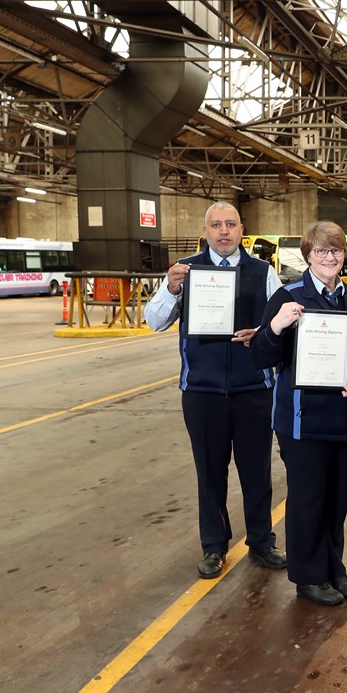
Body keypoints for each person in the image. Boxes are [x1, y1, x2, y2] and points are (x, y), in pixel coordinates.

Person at [144, 201, 287, 579]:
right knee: (209, 472)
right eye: (216, 225)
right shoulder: (184, 272)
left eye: (231, 224)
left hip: (254, 389)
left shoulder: (263, 272)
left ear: (242, 229)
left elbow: (282, 324)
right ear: (204, 231)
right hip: (202, 392)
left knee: (256, 470)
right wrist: (171, 290)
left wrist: (261, 333)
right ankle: (213, 546)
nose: (224, 231)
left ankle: (261, 541)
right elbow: (154, 322)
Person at [250, 221, 347, 606]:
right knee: (308, 497)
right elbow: (260, 355)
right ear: (308, 254)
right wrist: (276, 325)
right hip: (301, 421)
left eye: (336, 251)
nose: (329, 258)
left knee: (337, 498)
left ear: (345, 255)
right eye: (321, 251)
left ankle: (333, 568)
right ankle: (309, 576)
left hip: (346, 417)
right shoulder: (288, 296)